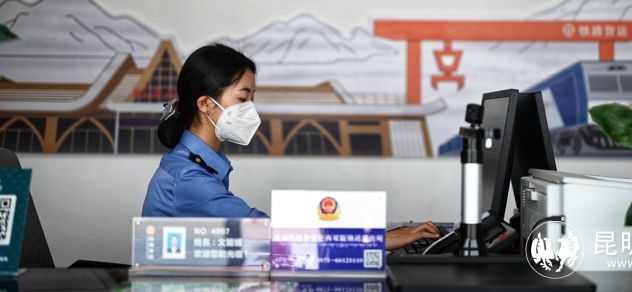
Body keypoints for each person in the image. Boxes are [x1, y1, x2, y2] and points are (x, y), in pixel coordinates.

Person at [142, 43, 440, 250]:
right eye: (242, 99)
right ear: (205, 104)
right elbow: (268, 234)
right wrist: (378, 240)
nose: (250, 109)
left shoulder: (198, 164)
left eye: (252, 98)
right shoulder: (188, 178)